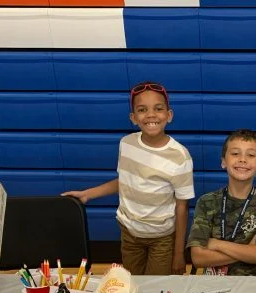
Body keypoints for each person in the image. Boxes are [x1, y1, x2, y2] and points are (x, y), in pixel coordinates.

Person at [62, 81, 194, 275]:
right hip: (129, 234)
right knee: (133, 283)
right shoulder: (127, 143)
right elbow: (125, 181)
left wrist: (179, 254)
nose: (151, 115)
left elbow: (182, 207)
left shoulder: (180, 156)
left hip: (162, 238)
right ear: (133, 118)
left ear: (169, 115)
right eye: (142, 110)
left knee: (155, 286)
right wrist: (87, 194)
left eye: (158, 109)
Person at [187, 129, 256, 276]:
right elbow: (198, 258)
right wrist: (250, 251)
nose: (242, 159)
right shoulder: (207, 202)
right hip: (215, 283)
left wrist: (217, 244)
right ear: (223, 161)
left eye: (251, 155)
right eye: (235, 153)